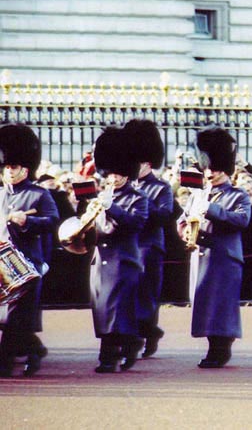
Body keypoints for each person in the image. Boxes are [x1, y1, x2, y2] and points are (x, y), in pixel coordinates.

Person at [179, 127, 251, 368]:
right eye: (208, 168)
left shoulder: (237, 194)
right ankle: (215, 344)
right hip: (202, 256)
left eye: (216, 169)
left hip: (224, 257)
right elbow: (182, 220)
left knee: (220, 304)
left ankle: (220, 348)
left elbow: (241, 220)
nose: (211, 173)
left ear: (226, 169)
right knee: (205, 303)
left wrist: (210, 209)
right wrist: (185, 231)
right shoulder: (197, 194)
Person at [0, 124, 59, 378]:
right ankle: (34, 350)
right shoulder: (0, 195)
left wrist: (28, 222)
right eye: (7, 166)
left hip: (26, 263)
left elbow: (52, 221)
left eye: (13, 166)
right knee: (8, 317)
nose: (9, 171)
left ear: (25, 168)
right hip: (3, 264)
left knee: (14, 315)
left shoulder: (39, 195)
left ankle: (4, 362)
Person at [89, 126, 149, 373]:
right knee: (102, 309)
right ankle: (130, 344)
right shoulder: (101, 196)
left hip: (123, 261)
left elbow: (135, 223)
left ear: (127, 174)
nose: (113, 179)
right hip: (100, 260)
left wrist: (112, 207)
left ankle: (108, 357)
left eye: (118, 174)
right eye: (110, 174)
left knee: (116, 310)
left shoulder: (138, 198)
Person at [124, 119, 173, 358]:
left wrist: (141, 203)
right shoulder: (124, 186)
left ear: (148, 163)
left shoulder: (161, 188)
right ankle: (135, 334)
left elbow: (164, 215)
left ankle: (148, 332)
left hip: (149, 246)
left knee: (145, 294)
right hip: (126, 246)